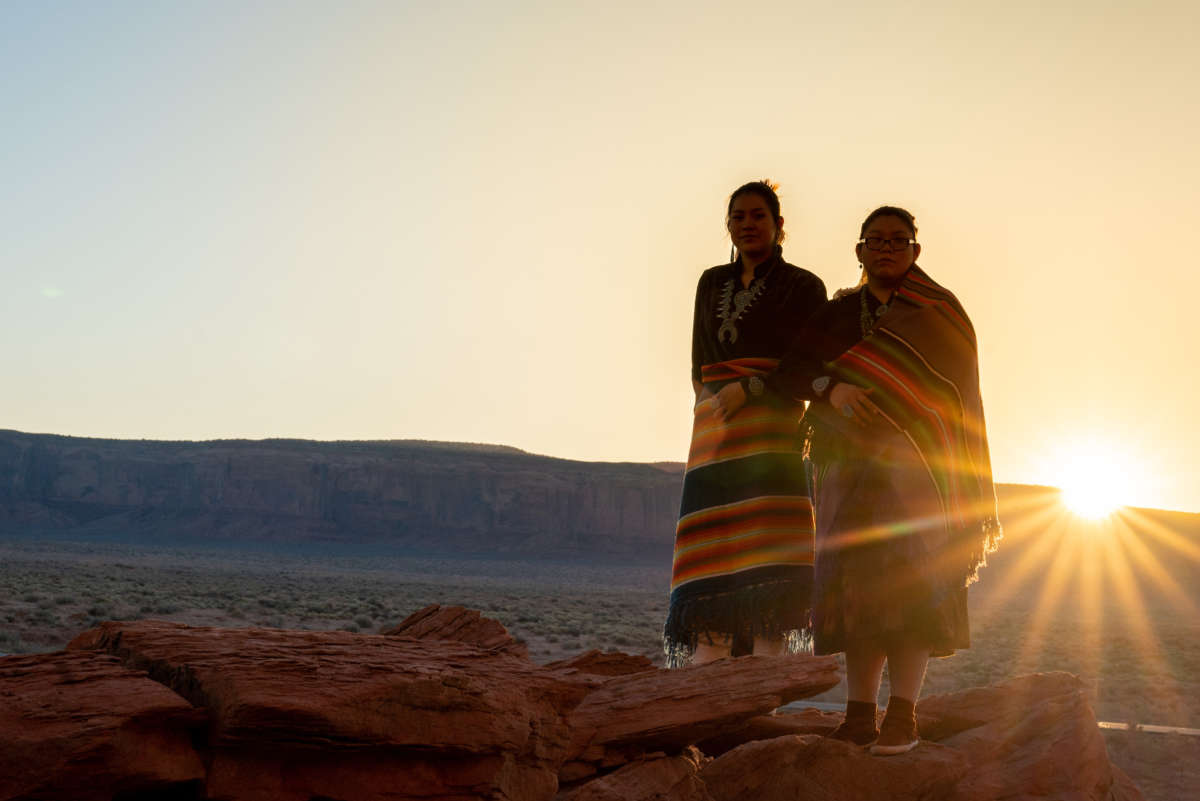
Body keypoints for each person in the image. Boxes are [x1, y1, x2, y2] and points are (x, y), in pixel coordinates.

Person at [774, 206, 1001, 754]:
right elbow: (790, 372)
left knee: (914, 587)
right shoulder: (837, 314)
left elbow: (959, 399)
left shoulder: (942, 315)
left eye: (899, 240)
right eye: (875, 240)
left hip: (920, 472)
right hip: (846, 467)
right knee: (856, 590)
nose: (886, 248)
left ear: (916, 251)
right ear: (858, 251)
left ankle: (903, 716)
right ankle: (858, 716)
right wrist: (834, 388)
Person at [663, 180, 827, 667]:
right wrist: (708, 409)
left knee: (770, 555)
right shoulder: (710, 282)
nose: (748, 224)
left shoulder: (803, 286)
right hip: (714, 433)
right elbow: (698, 361)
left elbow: (809, 365)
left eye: (759, 215)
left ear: (780, 225)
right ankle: (705, 687)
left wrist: (751, 389)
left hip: (773, 433)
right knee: (714, 551)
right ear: (728, 226)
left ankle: (762, 691)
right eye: (739, 216)